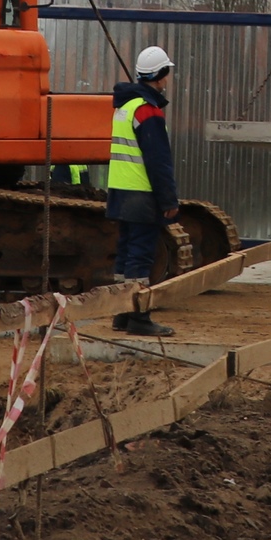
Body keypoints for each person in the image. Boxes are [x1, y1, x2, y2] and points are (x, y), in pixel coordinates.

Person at [106, 45, 181, 335]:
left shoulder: (125, 106)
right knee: (140, 255)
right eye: (167, 73)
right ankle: (138, 317)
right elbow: (158, 160)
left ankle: (121, 314)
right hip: (141, 193)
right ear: (161, 75)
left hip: (121, 191)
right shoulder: (147, 110)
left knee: (125, 253)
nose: (167, 79)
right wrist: (168, 199)